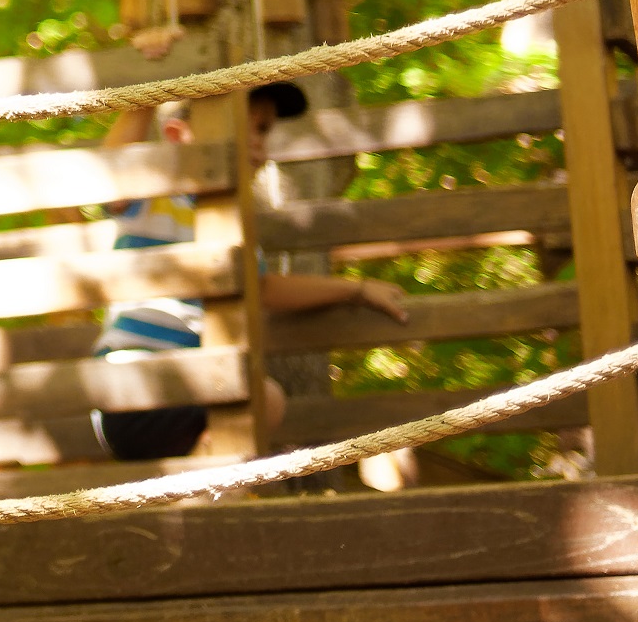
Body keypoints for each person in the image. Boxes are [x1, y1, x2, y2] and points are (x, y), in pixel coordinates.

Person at [87, 83, 410, 460]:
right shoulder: (154, 198)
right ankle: (209, 493)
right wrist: (144, 97)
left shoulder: (234, 225)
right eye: (247, 126)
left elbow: (263, 286)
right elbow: (112, 179)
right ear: (178, 137)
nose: (260, 143)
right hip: (130, 390)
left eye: (264, 130)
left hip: (198, 394)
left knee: (257, 402)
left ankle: (202, 496)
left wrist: (355, 288)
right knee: (261, 398)